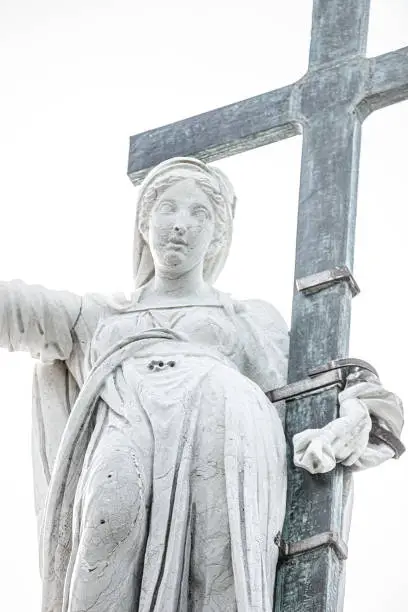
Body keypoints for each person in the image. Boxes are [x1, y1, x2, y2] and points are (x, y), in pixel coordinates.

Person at [0, 157, 403, 612]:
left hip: (223, 438)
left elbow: (314, 392)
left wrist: (355, 409)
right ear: (144, 224)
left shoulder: (245, 318)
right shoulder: (98, 315)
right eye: (168, 209)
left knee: (216, 563)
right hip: (127, 426)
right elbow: (15, 307)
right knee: (105, 526)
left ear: (217, 236)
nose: (180, 225)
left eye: (199, 214)